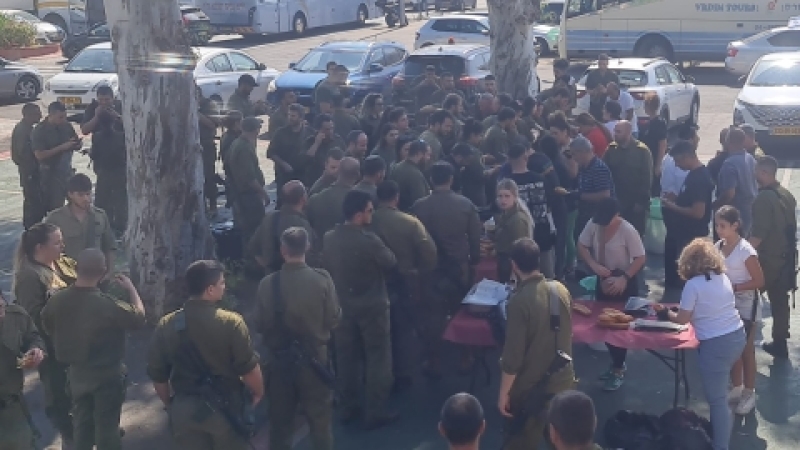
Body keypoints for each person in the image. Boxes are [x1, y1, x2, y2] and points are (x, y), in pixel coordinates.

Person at [147, 260, 264, 450]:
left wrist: (171, 405)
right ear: (210, 289)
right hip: (225, 411)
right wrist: (258, 392)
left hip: (184, 411)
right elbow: (249, 369)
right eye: (222, 283)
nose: (224, 287)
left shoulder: (166, 324)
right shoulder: (231, 322)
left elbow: (158, 375)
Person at [41, 249, 145, 450]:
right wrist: (131, 289)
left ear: (77, 269)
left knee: (82, 426)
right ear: (103, 271)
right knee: (107, 428)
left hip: (76, 373)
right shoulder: (106, 304)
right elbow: (138, 318)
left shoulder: (57, 300)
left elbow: (46, 324)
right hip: (106, 374)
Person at [256, 227, 340, 450]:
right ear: (308, 247)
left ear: (283, 250)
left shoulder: (267, 284)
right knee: (320, 425)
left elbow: (260, 325)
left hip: (278, 363)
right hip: (315, 361)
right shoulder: (321, 279)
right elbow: (333, 320)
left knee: (280, 426)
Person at [322, 190, 398, 429]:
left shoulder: (329, 238)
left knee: (346, 358)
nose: (372, 214)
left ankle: (348, 406)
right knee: (378, 359)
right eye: (369, 210)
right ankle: (375, 410)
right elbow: (390, 261)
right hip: (373, 307)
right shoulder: (369, 241)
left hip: (343, 307)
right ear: (358, 215)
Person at [662, 239, 746, 450]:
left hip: (716, 345)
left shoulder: (693, 285)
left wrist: (666, 313)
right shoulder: (723, 278)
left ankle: (721, 446)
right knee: (722, 396)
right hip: (737, 336)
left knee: (717, 401)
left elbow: (682, 319)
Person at [498, 238, 574, 450]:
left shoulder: (519, 301)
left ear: (514, 265)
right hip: (563, 382)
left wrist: (504, 394)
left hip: (530, 392)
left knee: (518, 442)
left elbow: (513, 359)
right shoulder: (560, 289)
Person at [413, 162, 482, 378]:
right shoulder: (465, 204)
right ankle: (465, 355)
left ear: (431, 180)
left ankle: (433, 359)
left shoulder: (419, 207)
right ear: (451, 179)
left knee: (433, 315)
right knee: (462, 311)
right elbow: (475, 237)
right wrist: (474, 259)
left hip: (431, 269)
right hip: (458, 268)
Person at [370, 180, 437, 391]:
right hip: (405, 282)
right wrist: (421, 271)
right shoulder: (409, 222)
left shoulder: (368, 221)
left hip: (374, 283)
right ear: (396, 197)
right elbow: (429, 252)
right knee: (404, 330)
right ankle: (403, 374)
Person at [13, 223, 74, 446]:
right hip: (53, 348)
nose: (63, 246)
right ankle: (69, 437)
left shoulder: (59, 262)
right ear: (40, 247)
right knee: (60, 398)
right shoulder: (29, 276)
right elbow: (33, 319)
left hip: (73, 342)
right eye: (57, 243)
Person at [577, 197, 646, 391]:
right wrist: (593, 265)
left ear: (617, 215)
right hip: (603, 279)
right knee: (604, 325)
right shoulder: (594, 224)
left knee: (619, 330)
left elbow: (640, 257)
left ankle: (618, 368)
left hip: (623, 281)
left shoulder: (627, 230)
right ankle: (615, 364)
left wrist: (624, 278)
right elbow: (582, 245)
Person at [713, 206, 764, 416]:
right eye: (716, 225)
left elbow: (759, 281)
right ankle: (736, 388)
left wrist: (735, 287)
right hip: (727, 306)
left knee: (746, 350)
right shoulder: (717, 246)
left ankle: (749, 393)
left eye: (723, 226)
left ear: (735, 226)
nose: (718, 230)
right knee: (732, 348)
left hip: (747, 306)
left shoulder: (746, 251)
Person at [750, 155, 797, 359]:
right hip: (786, 258)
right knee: (779, 300)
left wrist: (738, 254)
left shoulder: (763, 198)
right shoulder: (786, 194)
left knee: (746, 296)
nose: (754, 174)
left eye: (756, 170)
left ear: (763, 173)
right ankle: (780, 342)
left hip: (767, 260)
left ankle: (739, 340)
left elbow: (758, 235)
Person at [661, 140, 714, 288]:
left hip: (691, 234)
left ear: (687, 157)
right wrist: (677, 198)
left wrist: (672, 206)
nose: (677, 165)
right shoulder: (694, 175)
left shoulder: (698, 179)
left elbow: (698, 212)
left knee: (688, 276)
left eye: (678, 161)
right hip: (685, 233)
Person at [0, 290, 46, 450]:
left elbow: (33, 337)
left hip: (13, 408)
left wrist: (35, 350)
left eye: (1, 306)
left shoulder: (16, 316)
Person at [503, 143, 555, 279]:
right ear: (526, 157)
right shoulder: (541, 179)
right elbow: (549, 206)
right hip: (543, 234)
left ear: (509, 159)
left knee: (522, 279)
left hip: (519, 240)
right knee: (548, 277)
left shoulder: (506, 184)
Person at [45, 173, 116, 270]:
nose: (86, 199)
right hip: (68, 272)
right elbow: (46, 249)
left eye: (88, 194)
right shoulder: (55, 218)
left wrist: (110, 271)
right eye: (80, 195)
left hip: (96, 272)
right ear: (70, 194)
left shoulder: (100, 216)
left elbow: (109, 246)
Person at [249, 180, 314, 275]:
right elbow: (309, 256)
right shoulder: (302, 224)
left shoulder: (269, 217)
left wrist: (268, 266)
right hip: (296, 276)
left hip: (272, 276)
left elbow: (253, 248)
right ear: (302, 199)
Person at [562, 136, 615, 244]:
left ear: (582, 152)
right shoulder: (584, 167)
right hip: (586, 215)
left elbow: (605, 195)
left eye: (574, 154)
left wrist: (579, 195)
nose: (573, 158)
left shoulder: (598, 168)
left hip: (599, 217)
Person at [603, 120, 653, 235]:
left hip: (635, 203)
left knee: (635, 234)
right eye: (615, 131)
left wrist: (641, 202)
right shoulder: (611, 149)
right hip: (617, 201)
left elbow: (647, 179)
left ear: (628, 132)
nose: (615, 134)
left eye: (618, 132)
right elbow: (604, 171)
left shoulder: (642, 151)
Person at [31, 101, 82, 213]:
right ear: (51, 115)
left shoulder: (66, 126)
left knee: (77, 202)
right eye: (60, 117)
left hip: (66, 171)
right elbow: (39, 155)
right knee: (55, 207)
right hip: (51, 174)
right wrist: (62, 147)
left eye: (64, 117)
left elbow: (74, 139)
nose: (63, 120)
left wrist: (76, 144)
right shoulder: (40, 130)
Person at [227, 117, 270, 248]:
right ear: (256, 130)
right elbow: (250, 178)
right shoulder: (244, 148)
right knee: (254, 231)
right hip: (248, 196)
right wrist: (263, 194)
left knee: (246, 230)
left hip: (240, 194)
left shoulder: (237, 143)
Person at [547, 115, 579, 277]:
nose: (553, 136)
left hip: (570, 196)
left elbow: (573, 174)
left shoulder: (571, 149)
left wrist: (567, 160)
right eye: (551, 133)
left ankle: (570, 265)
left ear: (565, 132)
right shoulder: (558, 149)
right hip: (562, 197)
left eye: (556, 133)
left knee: (567, 235)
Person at [307, 157, 360, 252]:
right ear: (357, 175)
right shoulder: (359, 202)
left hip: (320, 252)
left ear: (338, 171)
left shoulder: (315, 198)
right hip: (345, 253)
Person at [713, 127, 758, 237]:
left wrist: (717, 205)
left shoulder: (729, 164)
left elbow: (729, 193)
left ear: (728, 142)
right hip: (751, 209)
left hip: (735, 213)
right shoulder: (751, 159)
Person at [11, 102, 45, 229]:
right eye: (37, 114)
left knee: (34, 200)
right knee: (33, 200)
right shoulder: (23, 131)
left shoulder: (28, 128)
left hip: (31, 170)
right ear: (28, 115)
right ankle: (31, 227)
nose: (40, 116)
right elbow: (23, 154)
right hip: (29, 172)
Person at [492, 179, 534, 282]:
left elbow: (521, 250)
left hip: (512, 267)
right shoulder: (506, 214)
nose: (503, 200)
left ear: (515, 197)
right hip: (505, 264)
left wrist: (515, 274)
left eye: (507, 196)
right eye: (500, 196)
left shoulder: (518, 219)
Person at [267, 103, 314, 194]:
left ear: (301, 118)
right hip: (284, 176)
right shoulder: (280, 133)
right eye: (289, 115)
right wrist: (283, 164)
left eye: (293, 116)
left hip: (303, 176)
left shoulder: (310, 133)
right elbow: (271, 152)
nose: (290, 118)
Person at [301, 114, 346, 188]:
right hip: (315, 182)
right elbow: (305, 160)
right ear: (318, 129)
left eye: (331, 128)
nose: (330, 132)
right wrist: (316, 143)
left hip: (335, 181)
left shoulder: (338, 141)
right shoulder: (310, 141)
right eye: (327, 129)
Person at [388, 140, 432, 211]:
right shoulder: (415, 175)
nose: (428, 158)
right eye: (427, 155)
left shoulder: (396, 167)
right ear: (419, 154)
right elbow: (420, 203)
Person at [638, 93, 668, 196]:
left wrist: (658, 165)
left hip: (655, 158)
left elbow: (662, 144)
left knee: (654, 188)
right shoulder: (648, 122)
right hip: (647, 159)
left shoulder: (659, 123)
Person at [197, 87, 221, 215]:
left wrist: (198, 114)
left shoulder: (209, 105)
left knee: (208, 176)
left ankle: (213, 205)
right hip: (192, 146)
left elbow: (213, 124)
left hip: (206, 145)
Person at [660, 123, 695, 200]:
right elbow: (668, 190)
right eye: (696, 137)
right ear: (691, 140)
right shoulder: (674, 159)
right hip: (674, 202)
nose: (698, 140)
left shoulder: (673, 156)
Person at [585, 54, 620, 121]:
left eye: (604, 64)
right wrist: (594, 91)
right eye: (600, 64)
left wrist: (606, 91)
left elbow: (617, 91)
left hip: (609, 105)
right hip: (595, 104)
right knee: (594, 122)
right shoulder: (592, 74)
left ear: (607, 63)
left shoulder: (613, 75)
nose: (602, 66)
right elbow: (587, 88)